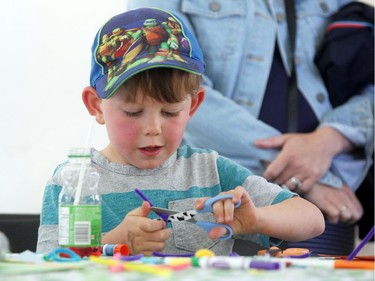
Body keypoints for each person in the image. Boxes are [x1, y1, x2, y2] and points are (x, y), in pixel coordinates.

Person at [36, 8, 324, 256]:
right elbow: (46, 266)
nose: (153, 128)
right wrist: (115, 243)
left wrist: (255, 220)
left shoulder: (210, 171)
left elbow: (312, 219)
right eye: (134, 112)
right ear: (96, 105)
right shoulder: (74, 183)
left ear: (193, 106)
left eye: (170, 112)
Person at [126, 1, 374, 255]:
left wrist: (331, 139)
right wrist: (304, 168)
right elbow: (170, 92)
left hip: (328, 203)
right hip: (222, 199)